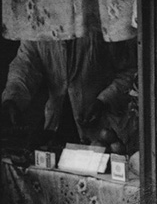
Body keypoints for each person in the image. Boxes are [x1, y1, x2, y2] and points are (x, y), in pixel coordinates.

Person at [1, 31, 137, 149]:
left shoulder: (98, 27)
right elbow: (25, 67)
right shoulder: (39, 26)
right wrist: (12, 100)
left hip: (104, 133)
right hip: (56, 129)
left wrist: (104, 100)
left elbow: (131, 72)